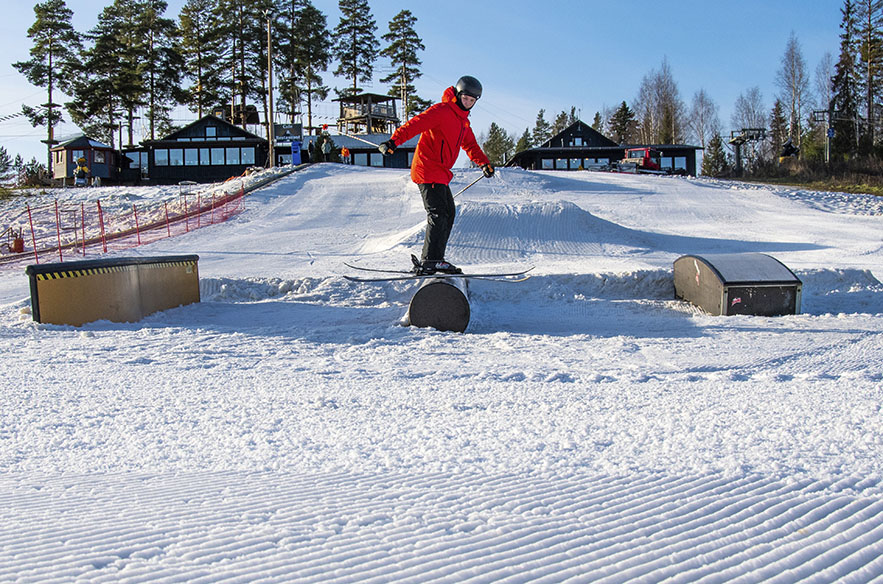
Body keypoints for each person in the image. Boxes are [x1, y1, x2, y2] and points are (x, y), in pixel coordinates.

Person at [379, 75, 494, 275]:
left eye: (472, 101)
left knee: (448, 212)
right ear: (458, 95)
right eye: (465, 98)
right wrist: (393, 141)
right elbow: (417, 123)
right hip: (427, 168)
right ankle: (430, 260)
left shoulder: (463, 122)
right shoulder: (442, 111)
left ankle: (435, 259)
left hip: (440, 173)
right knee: (438, 213)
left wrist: (483, 162)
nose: (468, 103)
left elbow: (471, 145)